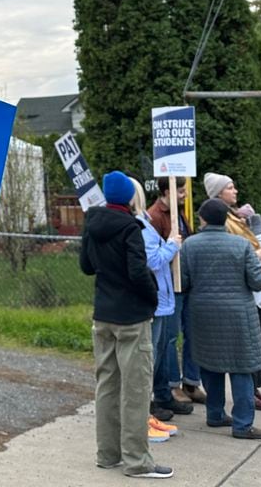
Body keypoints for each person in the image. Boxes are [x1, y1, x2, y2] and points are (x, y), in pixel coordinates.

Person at [80, 172, 170, 479]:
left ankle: (107, 454)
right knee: (136, 389)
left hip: (103, 314)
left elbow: (86, 266)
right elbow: (137, 271)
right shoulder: (131, 227)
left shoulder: (92, 222)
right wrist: (152, 297)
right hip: (131, 317)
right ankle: (137, 461)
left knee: (107, 385)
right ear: (130, 197)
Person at [180, 198, 261, 441]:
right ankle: (242, 424)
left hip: (202, 313)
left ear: (203, 220)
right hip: (238, 315)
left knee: (210, 365)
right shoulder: (241, 245)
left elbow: (184, 282)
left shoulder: (190, 245)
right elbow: (257, 282)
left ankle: (215, 413)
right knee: (242, 368)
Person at [201, 172, 261, 412]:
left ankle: (252, 389)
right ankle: (246, 396)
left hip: (251, 285)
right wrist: (257, 256)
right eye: (230, 187)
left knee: (260, 341)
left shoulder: (235, 216)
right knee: (250, 347)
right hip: (240, 290)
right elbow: (230, 251)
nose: (235, 191)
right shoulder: (223, 220)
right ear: (218, 193)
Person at [131, 179, 189, 427]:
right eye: (181, 189)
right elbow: (152, 260)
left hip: (164, 296)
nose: (185, 194)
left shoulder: (148, 221)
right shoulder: (147, 223)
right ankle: (150, 403)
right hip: (157, 298)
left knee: (165, 346)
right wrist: (172, 246)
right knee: (153, 352)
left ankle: (162, 395)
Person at [148, 178, 204, 406]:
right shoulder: (156, 216)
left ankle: (190, 381)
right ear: (166, 192)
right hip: (170, 285)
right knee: (170, 336)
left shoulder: (179, 213)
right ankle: (172, 385)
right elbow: (155, 255)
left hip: (186, 281)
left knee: (192, 332)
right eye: (180, 191)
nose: (184, 196)